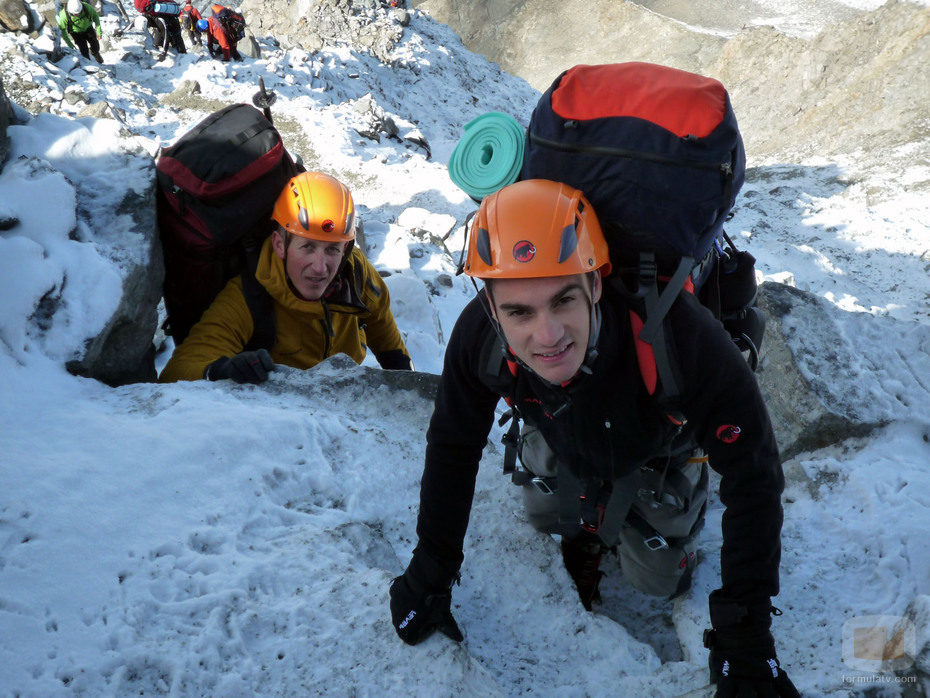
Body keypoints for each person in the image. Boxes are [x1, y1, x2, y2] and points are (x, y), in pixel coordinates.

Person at [389, 179, 799, 697]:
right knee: (542, 515)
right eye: (519, 312)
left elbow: (754, 473)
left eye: (563, 301)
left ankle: (677, 504)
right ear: (491, 310)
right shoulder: (478, 336)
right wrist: (431, 571)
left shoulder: (679, 336)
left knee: (657, 577)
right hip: (563, 428)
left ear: (597, 284)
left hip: (657, 448)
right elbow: (453, 443)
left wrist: (745, 634)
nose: (547, 335)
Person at [159, 171, 413, 384]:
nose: (320, 267)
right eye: (308, 247)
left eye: (332, 249)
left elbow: (383, 329)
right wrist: (223, 371)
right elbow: (177, 372)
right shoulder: (250, 296)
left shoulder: (356, 273)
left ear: (345, 250)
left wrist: (408, 384)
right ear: (280, 245)